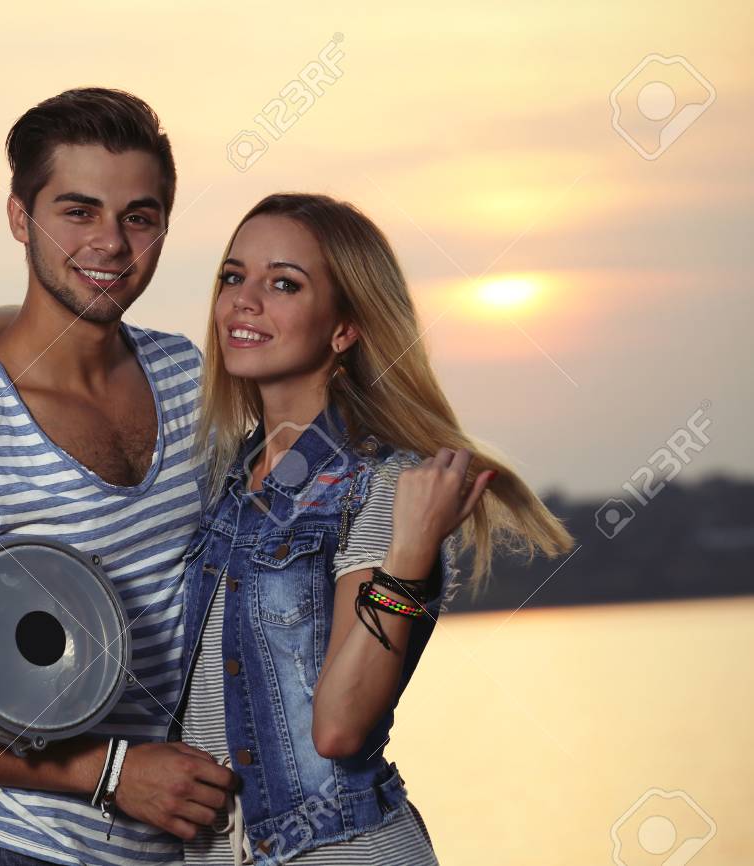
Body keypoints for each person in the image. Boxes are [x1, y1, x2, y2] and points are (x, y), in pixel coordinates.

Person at [0, 88, 237, 866]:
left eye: (138, 216)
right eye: (78, 211)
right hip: (19, 848)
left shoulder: (186, 375)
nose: (110, 241)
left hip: (185, 848)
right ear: (20, 217)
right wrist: (111, 774)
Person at [171, 193, 575, 864]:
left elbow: (339, 727)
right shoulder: (223, 483)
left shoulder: (382, 485)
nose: (244, 300)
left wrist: (410, 555)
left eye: (284, 283)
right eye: (233, 276)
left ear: (344, 329)